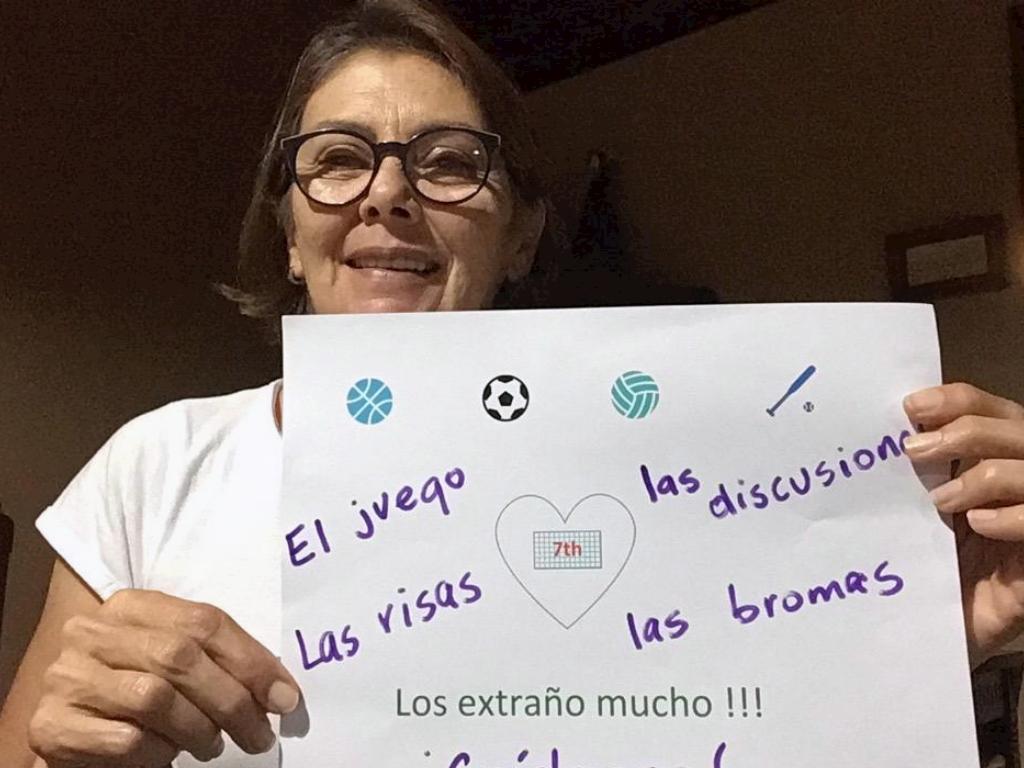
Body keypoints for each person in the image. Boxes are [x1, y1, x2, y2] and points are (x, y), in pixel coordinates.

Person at [2, 1, 1024, 766]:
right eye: (338, 158)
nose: (389, 193)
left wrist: (917, 640)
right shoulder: (156, 465)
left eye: (450, 162)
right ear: (289, 229)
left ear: (523, 234)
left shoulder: (669, 474)